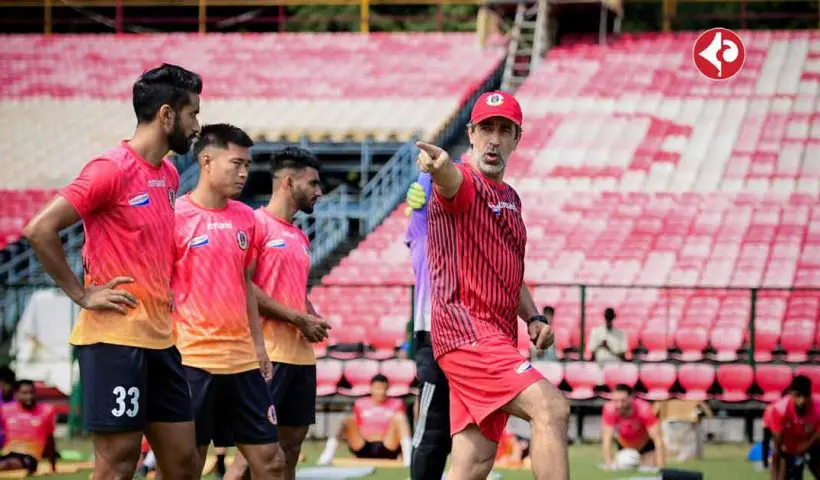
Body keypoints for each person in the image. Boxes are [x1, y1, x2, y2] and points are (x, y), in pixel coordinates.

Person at [22, 64, 201, 479]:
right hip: (113, 340)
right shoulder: (111, 168)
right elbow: (38, 229)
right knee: (118, 463)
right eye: (193, 113)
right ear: (167, 115)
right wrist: (81, 294)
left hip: (161, 340)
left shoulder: (170, 174)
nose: (197, 125)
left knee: (185, 463)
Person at [418, 90, 570, 480]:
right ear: (471, 133)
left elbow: (510, 273)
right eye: (486, 128)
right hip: (467, 334)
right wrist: (439, 167)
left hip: (497, 337)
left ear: (517, 139)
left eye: (505, 130)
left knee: (474, 465)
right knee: (551, 409)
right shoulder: (462, 181)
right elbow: (451, 182)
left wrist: (533, 316)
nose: (494, 139)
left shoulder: (511, 199)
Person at [171, 124, 284, 478]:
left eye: (247, 165)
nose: (244, 172)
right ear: (206, 160)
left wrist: (260, 347)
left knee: (272, 461)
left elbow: (245, 283)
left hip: (243, 362)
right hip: (192, 359)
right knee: (185, 465)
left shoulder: (247, 218)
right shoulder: (174, 217)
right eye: (236, 163)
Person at [225, 146, 328, 480]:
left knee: (291, 452)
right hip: (267, 356)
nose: (319, 191)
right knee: (251, 457)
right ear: (287, 182)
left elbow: (294, 292)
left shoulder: (299, 235)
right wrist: (298, 319)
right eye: (312, 183)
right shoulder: (255, 224)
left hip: (300, 359)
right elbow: (245, 288)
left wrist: (310, 314)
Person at [404, 171, 453, 479]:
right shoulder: (423, 229)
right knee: (433, 431)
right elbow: (431, 172)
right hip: (433, 338)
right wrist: (425, 172)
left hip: (471, 338)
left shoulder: (467, 231)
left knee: (460, 433)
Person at [317, 375, 412, 465]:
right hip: (363, 446)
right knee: (345, 419)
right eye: (378, 388)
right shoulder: (360, 404)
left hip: (387, 445)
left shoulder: (397, 403)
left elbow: (400, 429)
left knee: (400, 417)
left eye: (384, 389)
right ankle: (327, 455)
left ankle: (409, 459)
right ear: (371, 388)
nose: (381, 392)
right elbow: (356, 425)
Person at [601, 384, 665, 470]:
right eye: (616, 401)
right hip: (624, 445)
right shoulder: (609, 409)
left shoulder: (644, 409)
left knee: (647, 470)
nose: (619, 405)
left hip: (645, 445)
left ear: (631, 398)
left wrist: (661, 468)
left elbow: (658, 439)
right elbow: (606, 439)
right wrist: (609, 465)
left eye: (623, 401)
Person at [0, 380, 58, 474]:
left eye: (32, 392)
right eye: (24, 393)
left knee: (7, 464)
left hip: (29, 457)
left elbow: (50, 439)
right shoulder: (5, 410)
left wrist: (53, 466)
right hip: (8, 453)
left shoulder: (46, 411)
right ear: (16, 394)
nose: (29, 396)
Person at [768, 375, 820, 480]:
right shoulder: (779, 410)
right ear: (791, 394)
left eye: (806, 396)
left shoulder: (818, 408)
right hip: (787, 447)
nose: (802, 401)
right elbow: (778, 448)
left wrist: (806, 445)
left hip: (811, 443)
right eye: (798, 396)